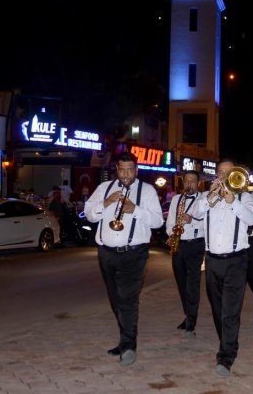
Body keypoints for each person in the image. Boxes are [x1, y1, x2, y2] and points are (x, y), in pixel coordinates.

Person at [84, 152, 163, 366]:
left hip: (134, 253)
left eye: (130, 170)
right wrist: (106, 203)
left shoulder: (146, 191)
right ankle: (124, 338)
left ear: (136, 170)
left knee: (127, 299)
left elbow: (157, 222)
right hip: (106, 253)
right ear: (116, 170)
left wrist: (135, 209)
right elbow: (89, 214)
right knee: (115, 299)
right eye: (122, 170)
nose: (126, 174)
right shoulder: (104, 189)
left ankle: (129, 346)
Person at [192, 159, 253, 376]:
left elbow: (251, 219)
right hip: (212, 261)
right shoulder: (207, 197)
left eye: (228, 173)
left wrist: (232, 201)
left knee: (230, 310)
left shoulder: (246, 197)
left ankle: (226, 356)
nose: (223, 177)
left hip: (236, 261)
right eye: (220, 173)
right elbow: (196, 213)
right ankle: (228, 340)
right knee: (218, 308)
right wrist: (210, 196)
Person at [166, 170, 205, 337]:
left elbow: (206, 224)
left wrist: (193, 220)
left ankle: (191, 321)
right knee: (181, 283)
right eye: (187, 181)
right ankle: (188, 315)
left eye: (193, 181)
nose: (189, 184)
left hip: (195, 244)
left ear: (199, 183)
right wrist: (171, 234)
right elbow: (170, 220)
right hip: (179, 244)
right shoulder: (176, 199)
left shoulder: (204, 200)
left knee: (192, 285)